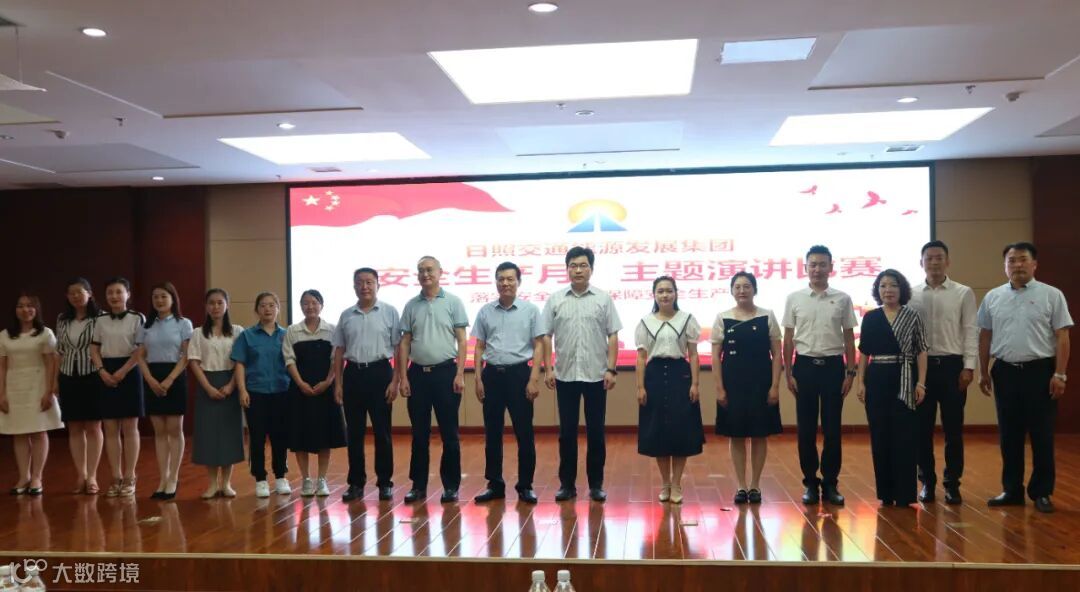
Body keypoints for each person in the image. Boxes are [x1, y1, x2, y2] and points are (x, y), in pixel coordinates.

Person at [978, 242, 1072, 513]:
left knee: (1042, 434)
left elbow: (1062, 336)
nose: (1017, 265)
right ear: (1005, 266)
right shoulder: (993, 297)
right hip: (1005, 371)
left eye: (1022, 259)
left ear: (1034, 264)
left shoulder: (1051, 295)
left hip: (1039, 372)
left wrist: (1060, 374)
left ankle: (1042, 492)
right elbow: (985, 335)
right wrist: (983, 371)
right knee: (1009, 434)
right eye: (1011, 260)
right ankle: (1012, 490)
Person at [542, 246, 622, 503]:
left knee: (596, 432)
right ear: (567, 269)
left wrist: (611, 369)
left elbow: (612, 335)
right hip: (565, 375)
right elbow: (546, 336)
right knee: (567, 433)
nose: (578, 270)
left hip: (596, 375)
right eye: (573, 265)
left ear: (591, 269)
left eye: (583, 265)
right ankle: (567, 485)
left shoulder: (603, 299)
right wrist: (548, 367)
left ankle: (596, 484)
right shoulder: (556, 299)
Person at [782, 245, 858, 506]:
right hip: (804, 367)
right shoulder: (794, 298)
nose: (817, 269)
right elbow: (788, 339)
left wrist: (850, 372)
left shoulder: (843, 298)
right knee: (805, 430)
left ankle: (831, 483)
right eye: (812, 264)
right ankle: (810, 483)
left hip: (833, 368)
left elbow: (849, 338)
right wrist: (788, 373)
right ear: (805, 267)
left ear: (831, 267)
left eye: (822, 264)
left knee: (832, 429)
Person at [908, 240, 977, 504]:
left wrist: (969, 366)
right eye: (929, 258)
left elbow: (970, 330)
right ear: (921, 262)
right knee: (921, 430)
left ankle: (952, 484)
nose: (934, 262)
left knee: (953, 430)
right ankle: (927, 481)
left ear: (948, 261)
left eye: (939, 258)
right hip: (921, 369)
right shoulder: (911, 294)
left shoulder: (963, 293)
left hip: (952, 367)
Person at [472, 262, 545, 505]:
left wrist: (534, 378)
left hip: (519, 376)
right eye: (501, 279)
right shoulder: (485, 311)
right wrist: (478, 378)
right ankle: (495, 484)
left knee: (524, 433)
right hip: (492, 376)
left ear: (518, 282)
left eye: (510, 279)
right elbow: (479, 347)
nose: (505, 283)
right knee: (492, 433)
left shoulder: (530, 310)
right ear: (496, 282)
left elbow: (539, 345)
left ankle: (525, 485)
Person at [853, 269, 928, 507]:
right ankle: (886, 493)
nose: (888, 290)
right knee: (880, 435)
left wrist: (921, 382)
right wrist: (860, 382)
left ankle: (905, 494)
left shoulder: (912, 316)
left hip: (905, 378)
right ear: (878, 290)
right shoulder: (871, 317)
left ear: (901, 289)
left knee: (905, 437)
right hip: (877, 379)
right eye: (883, 286)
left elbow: (921, 351)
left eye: (893, 285)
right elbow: (864, 353)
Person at [398, 256, 468, 503]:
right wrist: (403, 377)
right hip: (417, 375)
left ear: (440, 272)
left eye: (429, 269)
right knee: (419, 434)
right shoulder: (411, 305)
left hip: (446, 374)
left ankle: (451, 486)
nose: (425, 274)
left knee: (449, 433)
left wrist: (460, 373)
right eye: (421, 270)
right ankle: (418, 486)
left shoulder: (453, 302)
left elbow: (462, 340)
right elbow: (404, 342)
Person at [712, 272, 782, 504]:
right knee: (737, 435)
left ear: (755, 289)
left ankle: (755, 485)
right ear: (732, 291)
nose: (742, 291)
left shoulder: (767, 316)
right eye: (737, 287)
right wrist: (719, 388)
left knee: (760, 434)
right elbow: (715, 357)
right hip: (733, 384)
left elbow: (777, 354)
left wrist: (775, 386)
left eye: (747, 286)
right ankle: (741, 485)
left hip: (762, 383)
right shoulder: (723, 318)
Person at [333, 268, 400, 503]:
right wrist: (338, 384)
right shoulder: (346, 315)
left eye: (369, 282)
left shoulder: (390, 312)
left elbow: (399, 348)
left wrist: (395, 380)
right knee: (354, 433)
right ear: (354, 287)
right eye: (360, 282)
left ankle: (385, 483)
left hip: (381, 373)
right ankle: (356, 483)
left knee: (383, 432)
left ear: (378, 285)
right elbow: (339, 351)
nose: (365, 287)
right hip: (353, 375)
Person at [635, 275, 703, 504]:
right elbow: (641, 357)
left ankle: (677, 483)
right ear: (654, 295)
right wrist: (640, 386)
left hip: (680, 375)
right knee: (658, 432)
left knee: (681, 431)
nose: (665, 295)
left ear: (676, 293)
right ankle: (665, 483)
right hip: (654, 376)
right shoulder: (645, 322)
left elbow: (693, 354)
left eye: (669, 290)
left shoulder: (687, 319)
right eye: (660, 291)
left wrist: (695, 383)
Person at [283, 289, 345, 498]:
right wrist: (300, 383)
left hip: (325, 390)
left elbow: (336, 359)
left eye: (314, 302)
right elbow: (289, 359)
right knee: (300, 436)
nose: (310, 306)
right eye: (305, 303)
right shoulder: (293, 331)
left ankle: (322, 479)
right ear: (301, 306)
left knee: (325, 436)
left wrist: (328, 382)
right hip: (299, 391)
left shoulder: (332, 330)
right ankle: (306, 480)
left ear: (321, 305)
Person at [136, 282, 193, 500]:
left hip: (175, 376)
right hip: (152, 376)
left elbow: (186, 356)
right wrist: (149, 379)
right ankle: (163, 477)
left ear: (172, 299)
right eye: (155, 297)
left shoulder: (183, 323)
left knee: (174, 429)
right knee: (159, 431)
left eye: (163, 296)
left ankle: (174, 478)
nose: (159, 300)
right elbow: (140, 356)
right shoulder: (146, 325)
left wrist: (170, 379)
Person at [232, 292, 292, 498]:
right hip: (255, 392)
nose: (267, 309)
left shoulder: (286, 335)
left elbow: (292, 363)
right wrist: (242, 390)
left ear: (278, 309)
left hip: (282, 392)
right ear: (256, 310)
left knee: (280, 436)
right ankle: (260, 479)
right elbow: (240, 363)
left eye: (272, 305)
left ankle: (281, 476)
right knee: (257, 437)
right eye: (263, 305)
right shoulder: (247, 336)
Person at [0, 293, 61, 495]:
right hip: (14, 386)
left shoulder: (45, 334)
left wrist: (49, 391)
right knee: (19, 432)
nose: (25, 310)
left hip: (38, 385)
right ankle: (23, 476)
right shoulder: (4, 335)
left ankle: (37, 477)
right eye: (21, 306)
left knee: (38, 431)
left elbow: (51, 364)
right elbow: (2, 366)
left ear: (36, 309)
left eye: (29, 305)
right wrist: (1, 394)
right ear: (15, 310)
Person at [90, 277, 145, 497]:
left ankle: (130, 476)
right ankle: (116, 477)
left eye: (119, 292)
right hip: (106, 371)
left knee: (130, 427)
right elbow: (94, 349)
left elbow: (140, 350)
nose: (114, 296)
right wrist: (102, 370)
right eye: (110, 292)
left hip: (130, 371)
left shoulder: (137, 318)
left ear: (127, 294)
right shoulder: (100, 320)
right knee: (110, 428)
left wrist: (123, 371)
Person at [188, 288, 245, 499]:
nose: (215, 307)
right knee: (209, 435)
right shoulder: (198, 332)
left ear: (227, 305)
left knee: (229, 434)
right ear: (206, 306)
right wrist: (208, 388)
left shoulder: (237, 331)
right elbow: (194, 362)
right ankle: (212, 484)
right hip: (207, 385)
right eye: (211, 303)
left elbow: (240, 361)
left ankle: (227, 483)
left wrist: (231, 386)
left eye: (220, 302)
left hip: (231, 383)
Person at [55, 278, 104, 495]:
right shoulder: (62, 319)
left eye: (80, 292)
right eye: (71, 293)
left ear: (90, 294)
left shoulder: (100, 318)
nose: (75, 296)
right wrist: (55, 380)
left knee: (93, 427)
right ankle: (81, 475)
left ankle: (92, 476)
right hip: (68, 376)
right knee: (74, 428)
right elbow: (60, 350)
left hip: (92, 375)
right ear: (67, 297)